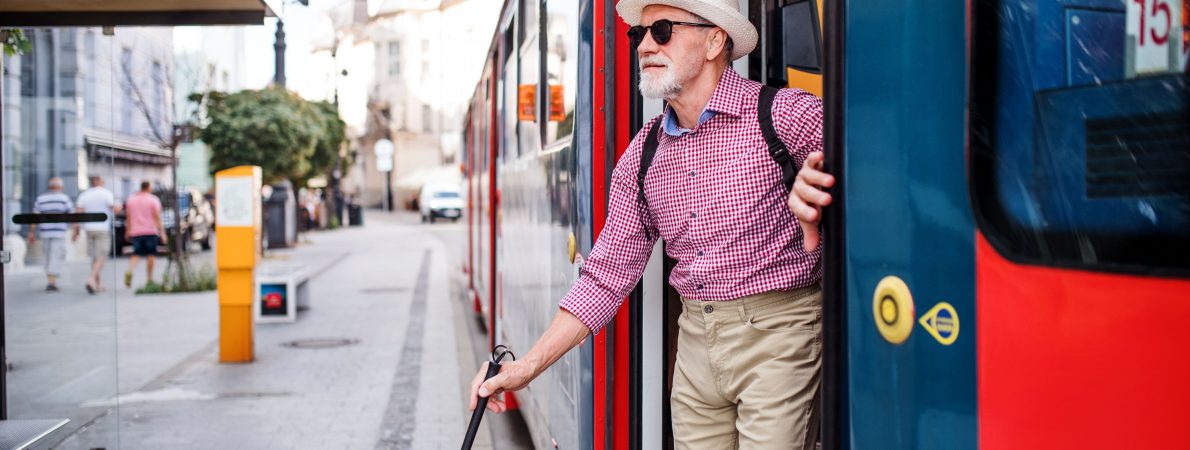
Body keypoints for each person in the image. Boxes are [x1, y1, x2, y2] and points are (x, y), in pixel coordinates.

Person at [468, 0, 825, 448]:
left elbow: (881, 182)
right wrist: (526, 368)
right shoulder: (644, 154)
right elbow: (604, 278)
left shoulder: (786, 115)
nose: (643, 47)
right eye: (639, 36)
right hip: (695, 346)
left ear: (716, 40)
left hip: (780, 337)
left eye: (661, 30)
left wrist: (826, 204)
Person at [75, 176, 120, 293]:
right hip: (102, 228)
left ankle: (98, 283)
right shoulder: (106, 193)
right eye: (102, 181)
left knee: (94, 257)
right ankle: (90, 280)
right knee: (102, 256)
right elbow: (115, 209)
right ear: (98, 182)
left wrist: (76, 229)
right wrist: (119, 207)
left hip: (89, 228)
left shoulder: (84, 195)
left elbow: (78, 213)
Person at [28, 177, 74, 292]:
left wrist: (31, 232)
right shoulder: (64, 199)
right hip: (59, 233)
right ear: (60, 187)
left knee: (49, 257)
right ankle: (51, 282)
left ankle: (51, 280)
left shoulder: (41, 199)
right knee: (57, 256)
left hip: (45, 233)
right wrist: (75, 230)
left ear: (50, 187)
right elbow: (72, 215)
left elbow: (35, 217)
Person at [123, 181, 166, 288]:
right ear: (149, 187)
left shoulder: (131, 200)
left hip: (136, 231)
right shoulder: (153, 200)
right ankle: (149, 278)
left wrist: (128, 230)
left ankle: (130, 270)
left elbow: (128, 217)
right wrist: (162, 232)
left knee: (136, 253)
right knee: (151, 254)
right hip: (150, 231)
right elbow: (157, 216)